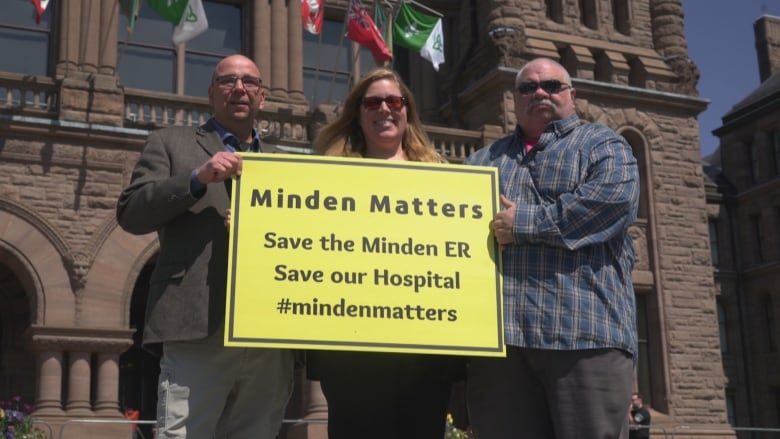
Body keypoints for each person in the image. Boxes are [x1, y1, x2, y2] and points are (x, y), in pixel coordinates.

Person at [116, 54, 294, 439]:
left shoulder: (284, 164)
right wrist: (198, 177)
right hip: (196, 327)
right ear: (211, 93)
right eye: (228, 80)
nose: (240, 88)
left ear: (262, 97)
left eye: (250, 82)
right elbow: (131, 213)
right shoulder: (170, 143)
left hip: (267, 337)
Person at [464, 57, 640, 438]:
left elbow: (611, 203)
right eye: (528, 87)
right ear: (515, 99)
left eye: (551, 85)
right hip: (501, 350)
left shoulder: (604, 144)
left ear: (571, 95)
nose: (539, 92)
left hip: (584, 339)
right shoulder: (481, 161)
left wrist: (522, 224)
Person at [306, 67, 465, 439]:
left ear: (407, 110)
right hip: (350, 351)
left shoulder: (442, 175)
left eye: (394, 101)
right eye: (373, 102)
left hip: (425, 350)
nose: (385, 109)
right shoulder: (326, 174)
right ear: (358, 113)